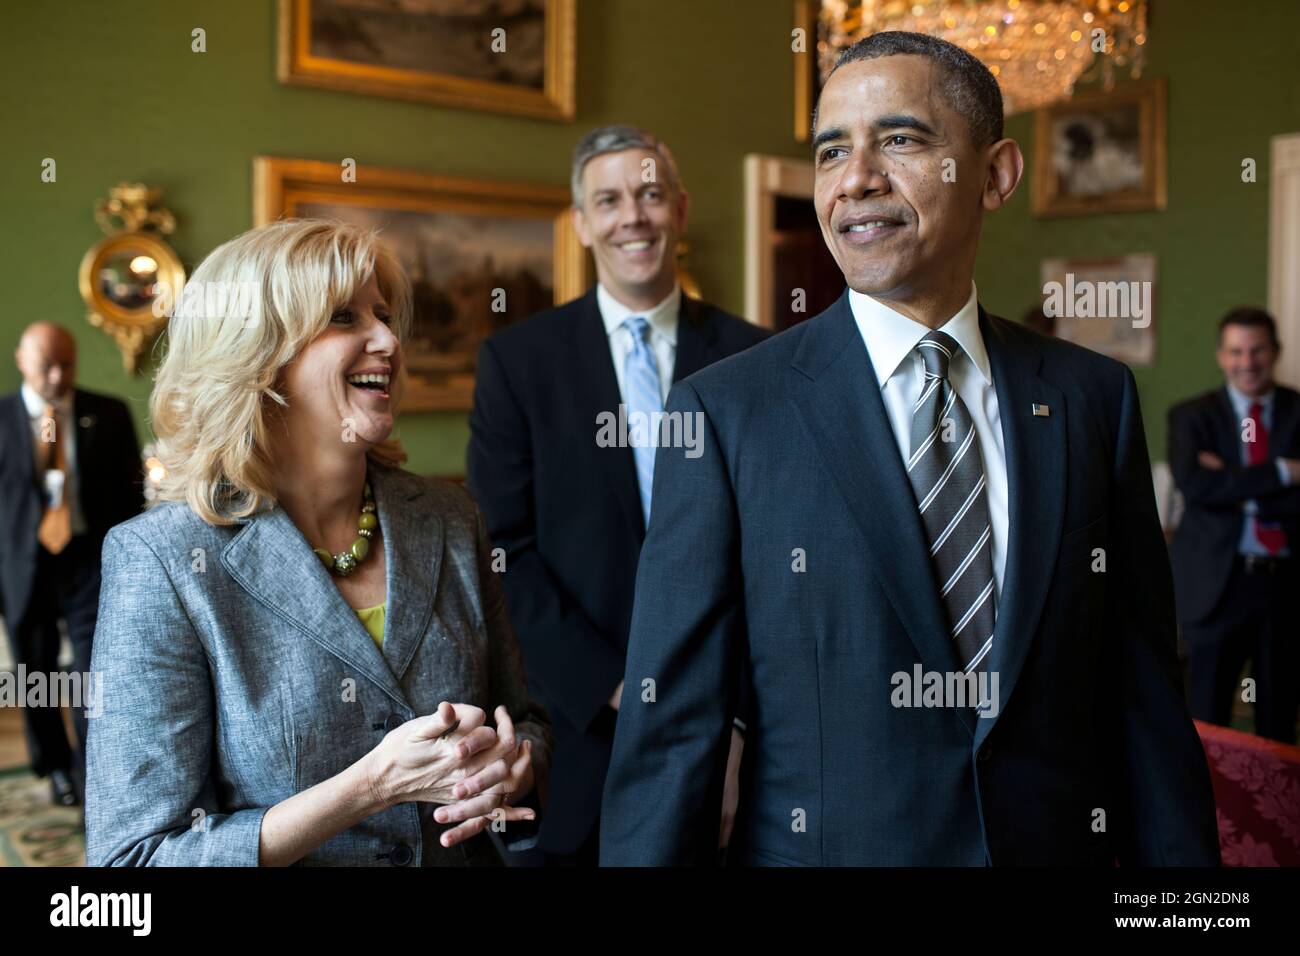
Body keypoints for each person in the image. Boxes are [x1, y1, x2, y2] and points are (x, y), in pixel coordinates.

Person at [600, 32, 1219, 866]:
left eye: (899, 139)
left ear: (995, 173)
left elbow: (1143, 695)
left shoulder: (1090, 400)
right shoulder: (725, 413)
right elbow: (672, 732)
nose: (855, 178)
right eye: (830, 151)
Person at [85, 219, 552, 866]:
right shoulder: (163, 561)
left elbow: (523, 721)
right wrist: (369, 787)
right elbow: (134, 859)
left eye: (384, 316)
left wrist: (513, 766)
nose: (388, 339)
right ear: (257, 353)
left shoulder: (449, 517)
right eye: (343, 317)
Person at [467, 125, 767, 865]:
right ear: (582, 222)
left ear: (681, 211)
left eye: (650, 194)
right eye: (609, 200)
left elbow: (779, 548)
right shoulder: (519, 363)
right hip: (578, 732)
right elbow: (504, 551)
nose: (632, 216)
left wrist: (732, 720)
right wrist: (616, 688)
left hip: (734, 731)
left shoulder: (758, 356)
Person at [0, 322, 141, 806]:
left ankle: (93, 773)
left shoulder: (109, 413)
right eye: (46, 366)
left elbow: (133, 496)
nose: (58, 377)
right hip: (24, 566)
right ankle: (55, 767)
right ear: (22, 360)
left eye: (67, 365)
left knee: (90, 675)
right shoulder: (0, 418)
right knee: (34, 673)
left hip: (90, 563)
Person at [1169, 307, 1300, 743]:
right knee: (1206, 720)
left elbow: (1217, 489)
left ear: (1275, 352)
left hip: (1285, 588)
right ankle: (1207, 813)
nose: (1247, 362)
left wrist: (1230, 481)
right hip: (1216, 588)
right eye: (1236, 351)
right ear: (1221, 356)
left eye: (1258, 350)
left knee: (1278, 722)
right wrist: (1283, 472)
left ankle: (1272, 814)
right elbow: (1196, 486)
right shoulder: (1191, 416)